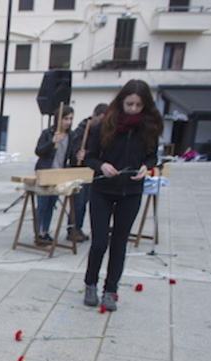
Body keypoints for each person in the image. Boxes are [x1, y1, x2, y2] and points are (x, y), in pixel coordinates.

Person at [81, 79, 162, 312]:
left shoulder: (149, 128)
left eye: (138, 105)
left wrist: (147, 167)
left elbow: (151, 156)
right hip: (103, 191)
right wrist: (102, 166)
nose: (133, 109)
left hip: (131, 192)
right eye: (129, 104)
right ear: (121, 102)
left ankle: (110, 289)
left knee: (119, 243)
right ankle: (90, 284)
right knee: (99, 242)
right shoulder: (104, 125)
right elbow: (90, 157)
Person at [33, 106, 74, 246]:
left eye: (70, 119)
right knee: (43, 204)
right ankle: (38, 232)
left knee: (51, 204)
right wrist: (52, 142)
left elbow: (70, 156)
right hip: (45, 172)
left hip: (59, 174)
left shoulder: (71, 136)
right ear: (59, 119)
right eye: (65, 119)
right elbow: (38, 151)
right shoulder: (48, 133)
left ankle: (45, 231)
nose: (68, 122)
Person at [67, 102, 108, 242]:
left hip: (90, 171)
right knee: (77, 203)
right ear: (94, 115)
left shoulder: (99, 131)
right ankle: (72, 230)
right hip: (78, 171)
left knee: (84, 202)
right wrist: (77, 155)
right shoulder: (80, 131)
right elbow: (72, 152)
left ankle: (78, 229)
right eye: (101, 118)